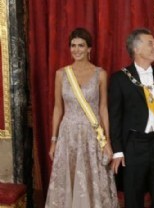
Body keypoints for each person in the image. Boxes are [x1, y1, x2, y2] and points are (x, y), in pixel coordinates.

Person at [46, 28, 119, 208]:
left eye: (81, 45)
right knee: (68, 179)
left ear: (89, 49)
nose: (76, 49)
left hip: (92, 135)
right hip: (68, 134)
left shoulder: (100, 74)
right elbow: (57, 108)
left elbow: (103, 109)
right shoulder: (61, 74)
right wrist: (54, 140)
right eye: (73, 46)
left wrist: (107, 141)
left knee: (91, 178)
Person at [109, 28, 154, 208]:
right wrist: (118, 150)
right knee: (133, 196)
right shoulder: (119, 79)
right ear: (136, 49)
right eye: (151, 43)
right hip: (133, 145)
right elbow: (114, 118)